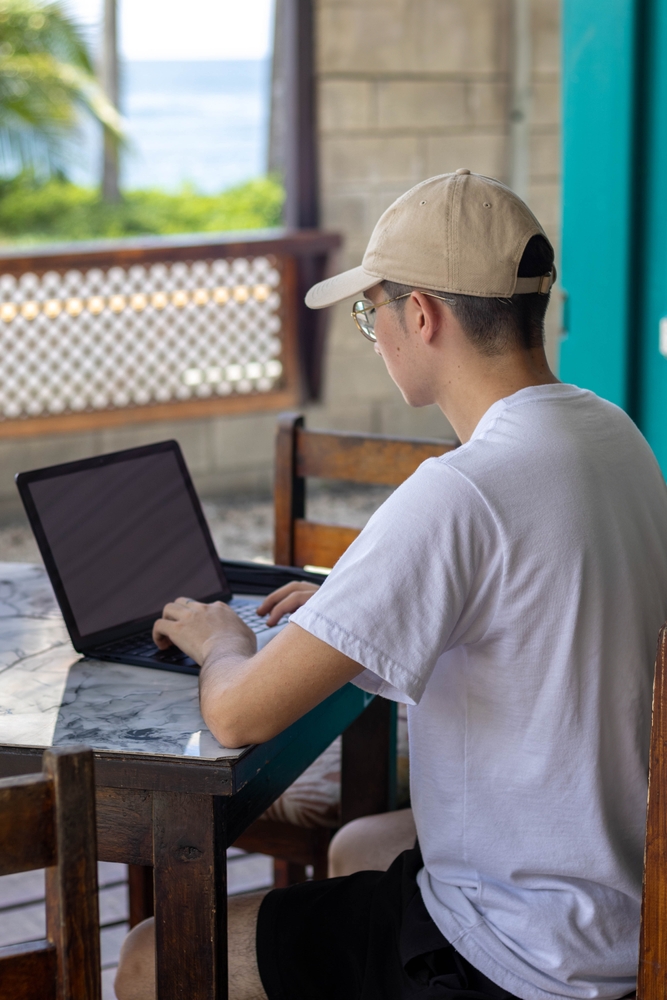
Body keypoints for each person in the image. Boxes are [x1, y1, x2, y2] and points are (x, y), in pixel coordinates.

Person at [114, 171, 667, 1000]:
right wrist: (348, 604)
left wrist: (223, 641)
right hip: (623, 900)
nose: (373, 334)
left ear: (423, 316)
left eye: (371, 312)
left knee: (151, 957)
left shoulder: (461, 489)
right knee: (361, 847)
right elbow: (526, 601)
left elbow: (238, 711)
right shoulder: (611, 431)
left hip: (521, 958)